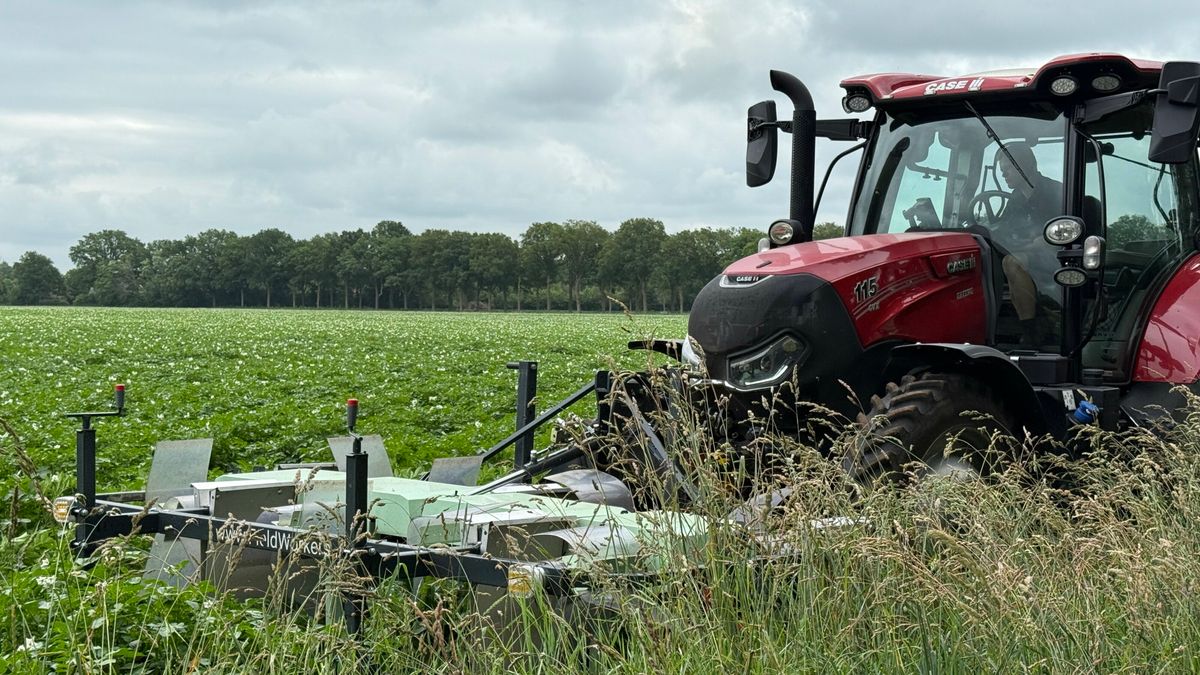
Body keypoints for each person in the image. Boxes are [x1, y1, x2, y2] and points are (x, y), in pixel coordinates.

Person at [991, 143, 1062, 346]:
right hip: (1030, 252)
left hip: (1058, 258)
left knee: (1011, 262)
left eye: (1008, 168)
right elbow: (1005, 230)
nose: (1003, 174)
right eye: (1002, 170)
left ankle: (1032, 330)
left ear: (1025, 165)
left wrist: (1032, 243)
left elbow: (1057, 237)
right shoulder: (1015, 199)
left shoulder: (1056, 191)